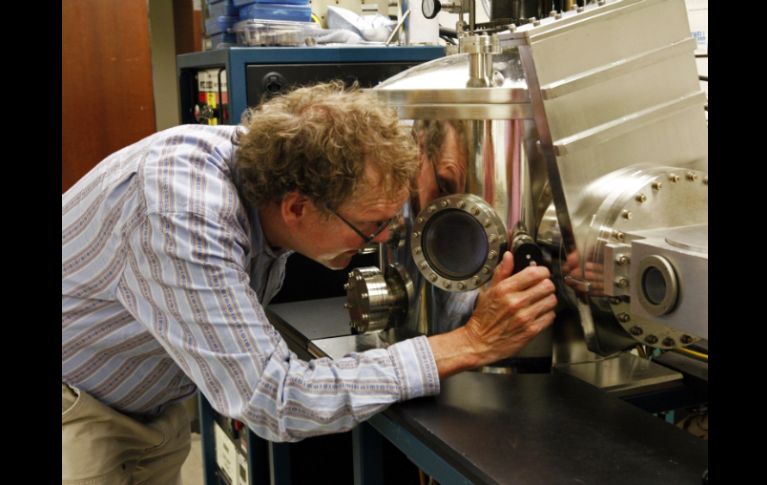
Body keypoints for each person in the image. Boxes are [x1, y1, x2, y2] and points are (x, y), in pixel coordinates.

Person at [62, 81, 557, 484]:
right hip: (77, 411)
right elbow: (275, 400)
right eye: (371, 226)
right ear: (297, 207)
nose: (383, 237)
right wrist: (469, 342)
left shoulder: (269, 164)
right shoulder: (182, 214)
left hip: (151, 403)